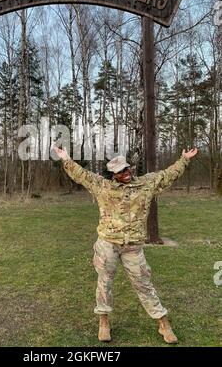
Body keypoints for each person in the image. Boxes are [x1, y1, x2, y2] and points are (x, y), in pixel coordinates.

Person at [53, 145, 198, 344]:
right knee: (105, 284)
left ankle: (163, 323)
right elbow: (81, 175)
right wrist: (65, 158)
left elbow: (167, 175)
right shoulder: (102, 186)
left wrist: (184, 160)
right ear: (114, 174)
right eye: (121, 171)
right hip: (107, 244)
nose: (126, 173)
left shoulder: (146, 184)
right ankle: (103, 322)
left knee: (144, 284)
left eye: (127, 169)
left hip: (133, 247)